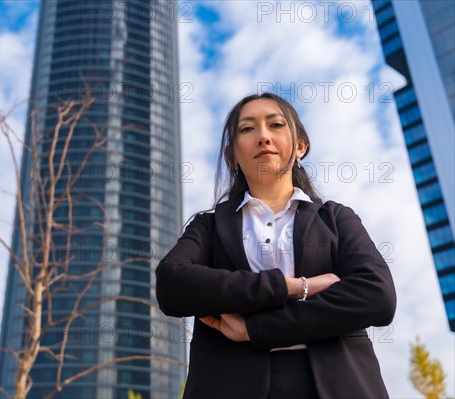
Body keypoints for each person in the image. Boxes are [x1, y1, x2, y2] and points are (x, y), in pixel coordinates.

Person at [156, 92, 397, 399]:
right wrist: (294, 286)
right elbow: (172, 285)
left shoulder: (336, 218)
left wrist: (256, 328)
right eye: (247, 129)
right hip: (228, 385)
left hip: (338, 385)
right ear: (233, 155)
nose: (263, 137)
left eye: (276, 125)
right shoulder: (209, 225)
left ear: (300, 146)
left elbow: (378, 295)